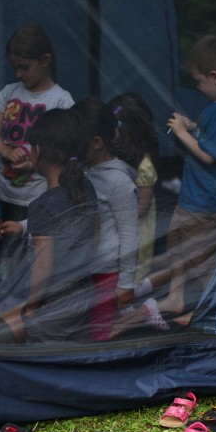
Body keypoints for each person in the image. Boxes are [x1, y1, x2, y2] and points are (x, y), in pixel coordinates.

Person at [150, 35, 216, 321]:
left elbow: (208, 156)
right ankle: (176, 297)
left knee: (202, 260)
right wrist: (192, 128)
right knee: (177, 243)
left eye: (199, 80)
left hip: (208, 203)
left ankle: (213, 311)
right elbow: (210, 142)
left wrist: (180, 133)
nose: (198, 87)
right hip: (192, 196)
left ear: (215, 77)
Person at [0, 108, 98, 343]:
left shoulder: (44, 204)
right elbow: (94, 231)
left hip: (54, 305)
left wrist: (32, 308)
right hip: (84, 295)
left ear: (38, 150)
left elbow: (43, 263)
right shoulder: (85, 187)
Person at [0, 25, 74, 225]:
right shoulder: (9, 92)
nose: (18, 74)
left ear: (45, 60)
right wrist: (6, 151)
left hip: (38, 193)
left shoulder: (61, 101)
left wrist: (34, 164)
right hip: (5, 192)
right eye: (14, 67)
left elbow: (65, 151)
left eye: (24, 67)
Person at [72, 98, 139, 341]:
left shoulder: (119, 182)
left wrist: (126, 283)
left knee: (99, 332)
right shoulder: (84, 170)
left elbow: (130, 234)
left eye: (77, 144)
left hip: (106, 272)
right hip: (82, 267)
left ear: (97, 142)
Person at [108, 92, 159, 282]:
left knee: (131, 265)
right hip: (120, 224)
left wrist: (115, 214)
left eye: (114, 127)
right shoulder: (119, 156)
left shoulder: (144, 167)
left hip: (135, 229)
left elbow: (143, 207)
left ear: (130, 131)